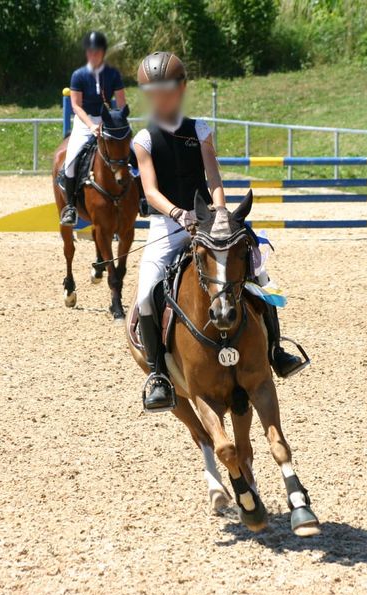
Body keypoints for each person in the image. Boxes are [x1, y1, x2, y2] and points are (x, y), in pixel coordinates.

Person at [132, 51, 308, 413]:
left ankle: (276, 350)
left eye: (165, 89)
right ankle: (158, 375)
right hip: (167, 223)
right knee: (148, 295)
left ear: (180, 90)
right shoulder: (143, 140)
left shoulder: (199, 130)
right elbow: (150, 191)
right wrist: (178, 214)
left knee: (260, 274)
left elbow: (213, 176)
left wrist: (222, 213)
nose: (159, 97)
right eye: (152, 91)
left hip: (209, 219)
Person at [59, 31, 126, 227]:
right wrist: (91, 125)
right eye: (90, 51)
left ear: (103, 52)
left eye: (96, 52)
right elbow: (76, 105)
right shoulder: (78, 75)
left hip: (109, 120)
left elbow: (121, 103)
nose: (93, 55)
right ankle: (70, 207)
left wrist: (115, 122)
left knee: (130, 152)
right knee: (71, 159)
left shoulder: (113, 74)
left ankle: (142, 200)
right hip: (84, 122)